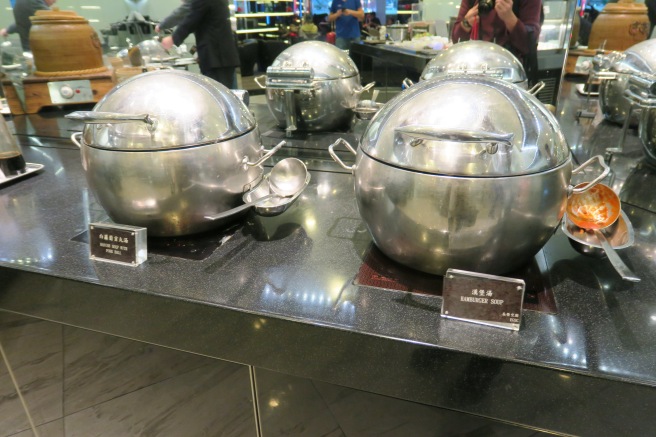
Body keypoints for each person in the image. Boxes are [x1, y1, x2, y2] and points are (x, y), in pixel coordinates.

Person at [161, 0, 239, 89]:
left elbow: (191, 19)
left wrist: (173, 38)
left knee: (217, 95)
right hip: (221, 55)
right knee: (223, 93)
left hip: (216, 57)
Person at [451, 0, 541, 63]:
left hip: (512, 71)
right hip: (477, 66)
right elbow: (456, 40)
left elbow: (529, 45)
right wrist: (466, 23)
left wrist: (510, 18)